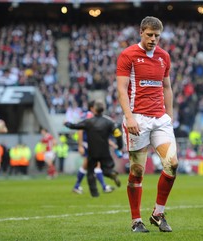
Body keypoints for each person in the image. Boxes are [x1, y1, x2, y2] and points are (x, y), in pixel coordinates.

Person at [117, 16, 178, 233]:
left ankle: (158, 214)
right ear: (141, 32)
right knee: (137, 171)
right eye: (150, 35)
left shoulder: (164, 57)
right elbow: (122, 89)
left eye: (157, 36)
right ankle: (136, 221)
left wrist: (169, 116)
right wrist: (129, 117)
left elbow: (167, 88)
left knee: (172, 165)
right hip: (138, 119)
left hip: (160, 119)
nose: (153, 39)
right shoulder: (128, 55)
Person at [64, 100, 122, 198]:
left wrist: (67, 124)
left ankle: (94, 192)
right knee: (105, 168)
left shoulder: (88, 121)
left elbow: (76, 127)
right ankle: (110, 175)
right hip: (104, 150)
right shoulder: (109, 121)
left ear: (93, 109)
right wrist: (119, 146)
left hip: (92, 149)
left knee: (90, 171)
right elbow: (117, 134)